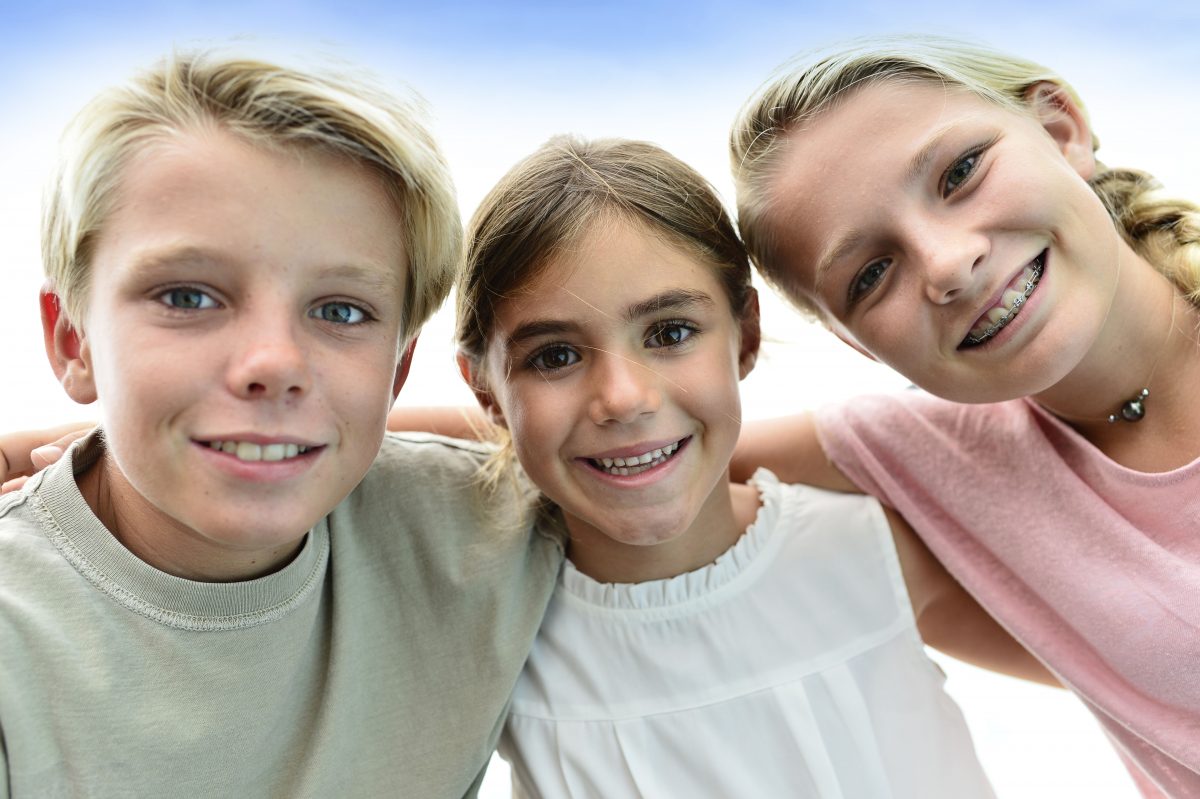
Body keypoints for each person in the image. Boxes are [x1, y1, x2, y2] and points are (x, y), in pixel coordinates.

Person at [0, 52, 560, 796]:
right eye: (189, 297)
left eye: (340, 312)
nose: (275, 363)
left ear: (395, 371)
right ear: (74, 338)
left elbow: (702, 460)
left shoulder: (486, 532)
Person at [439, 135, 1053, 797]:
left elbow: (1144, 682)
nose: (623, 398)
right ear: (485, 394)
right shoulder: (498, 630)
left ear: (747, 335)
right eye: (554, 356)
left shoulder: (866, 547)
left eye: (670, 333)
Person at [727, 36, 1200, 796]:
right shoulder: (942, 455)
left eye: (959, 173)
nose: (947, 265)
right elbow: (621, 444)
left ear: (1058, 128)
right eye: (872, 274)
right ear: (856, 344)